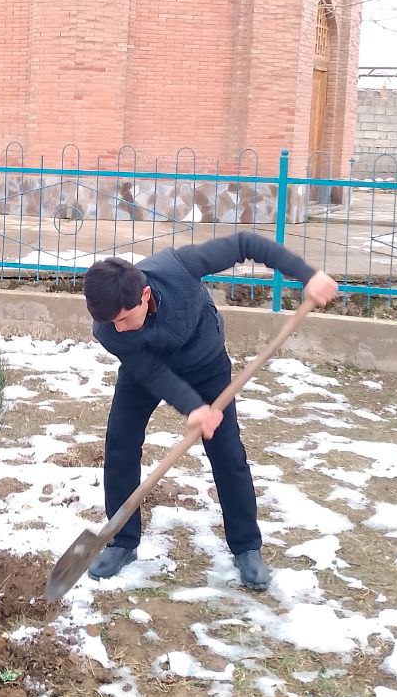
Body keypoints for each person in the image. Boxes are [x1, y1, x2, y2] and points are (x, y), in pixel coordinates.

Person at [83, 234, 338, 589]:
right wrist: (193, 407)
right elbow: (152, 373)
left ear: (143, 295)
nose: (118, 329)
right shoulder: (110, 330)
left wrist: (307, 274)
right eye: (111, 323)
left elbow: (247, 244)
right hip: (148, 370)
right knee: (120, 445)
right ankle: (122, 541)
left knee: (228, 453)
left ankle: (246, 546)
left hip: (206, 364)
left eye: (124, 318)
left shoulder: (179, 267)